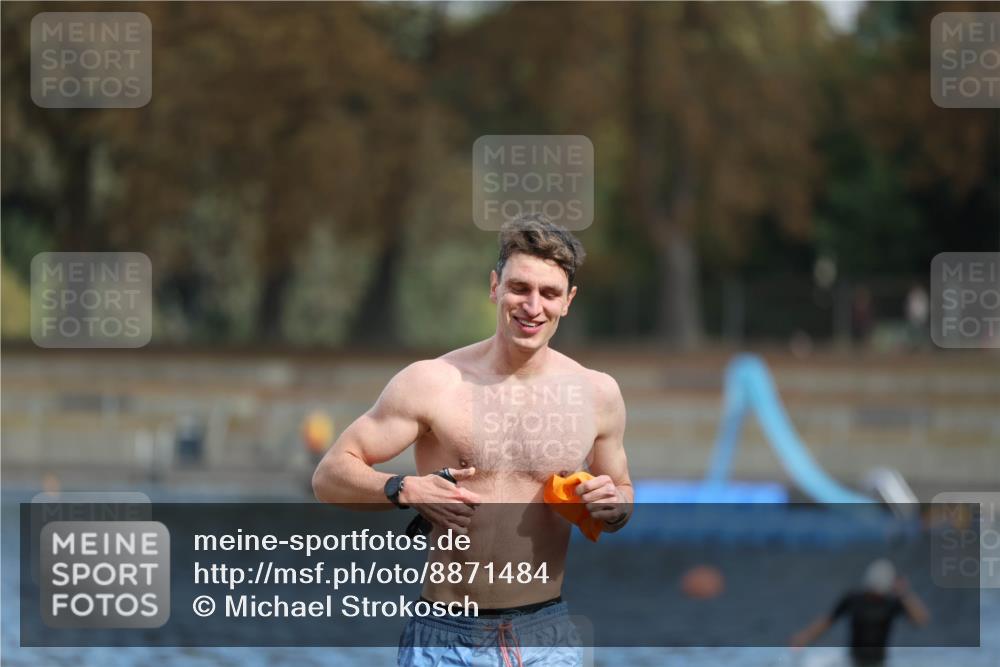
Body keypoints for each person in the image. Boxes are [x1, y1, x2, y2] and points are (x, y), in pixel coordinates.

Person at [312, 214, 632, 667]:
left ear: (568, 302)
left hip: (545, 635)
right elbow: (328, 477)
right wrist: (403, 489)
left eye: (549, 293)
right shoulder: (432, 382)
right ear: (495, 285)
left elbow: (621, 490)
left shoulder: (598, 394)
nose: (532, 306)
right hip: (445, 635)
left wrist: (615, 505)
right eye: (520, 288)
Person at [790, 559, 931, 667]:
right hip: (855, 660)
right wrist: (804, 636)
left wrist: (905, 593)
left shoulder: (891, 604)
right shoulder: (853, 599)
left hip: (878, 662)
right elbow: (828, 620)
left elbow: (921, 620)